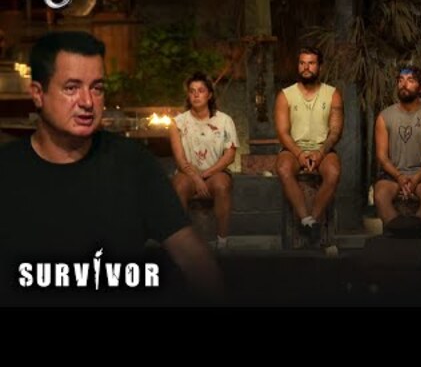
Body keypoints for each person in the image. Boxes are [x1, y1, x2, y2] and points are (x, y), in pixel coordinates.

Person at [0, 31, 223, 307]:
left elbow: (194, 260)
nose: (87, 101)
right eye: (71, 88)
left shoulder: (133, 164)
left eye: (97, 88)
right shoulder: (7, 171)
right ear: (38, 94)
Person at [274, 46, 343, 242]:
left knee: (334, 172)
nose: (306, 67)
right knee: (283, 168)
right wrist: (299, 154)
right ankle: (305, 218)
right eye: (302, 63)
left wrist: (320, 153)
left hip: (323, 149)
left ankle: (313, 219)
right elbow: (283, 133)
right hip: (293, 149)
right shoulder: (285, 95)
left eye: (311, 63)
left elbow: (335, 131)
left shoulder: (333, 94)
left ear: (320, 66)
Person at [169, 72, 238, 250]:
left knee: (222, 185)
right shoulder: (178, 122)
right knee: (179, 186)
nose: (196, 95)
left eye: (201, 90)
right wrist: (196, 178)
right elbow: (180, 159)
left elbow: (230, 155)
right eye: (192, 91)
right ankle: (183, 242)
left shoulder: (224, 120)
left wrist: (205, 174)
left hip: (215, 171)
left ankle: (222, 240)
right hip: (187, 173)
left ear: (209, 95)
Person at [374, 66, 421, 235]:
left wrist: (417, 177)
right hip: (392, 174)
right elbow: (382, 156)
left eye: (410, 80)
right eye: (401, 80)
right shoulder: (384, 116)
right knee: (380, 195)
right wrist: (399, 176)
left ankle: (416, 230)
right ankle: (397, 230)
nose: (404, 84)